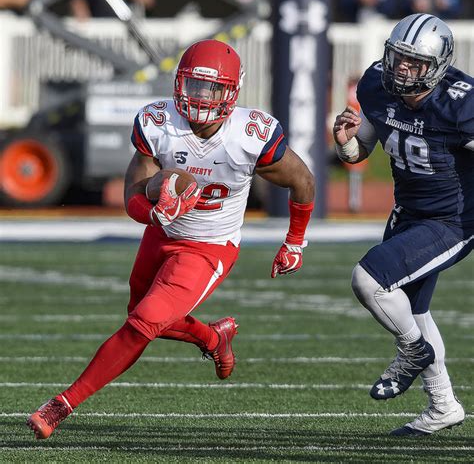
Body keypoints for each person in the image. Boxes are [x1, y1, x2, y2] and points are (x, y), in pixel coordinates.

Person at [26, 39, 315, 439]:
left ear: (232, 91)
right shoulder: (159, 123)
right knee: (141, 314)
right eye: (194, 86)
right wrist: (155, 204)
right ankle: (214, 338)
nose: (200, 98)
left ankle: (61, 405)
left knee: (142, 324)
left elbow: (303, 181)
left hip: (210, 245)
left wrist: (294, 241)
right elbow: (132, 193)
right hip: (161, 233)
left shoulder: (250, 135)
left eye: (211, 88)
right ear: (179, 83)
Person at [333, 13, 473, 436]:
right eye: (397, 58)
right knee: (412, 309)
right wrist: (345, 145)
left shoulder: (460, 104)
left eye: (414, 63)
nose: (401, 69)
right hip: (408, 211)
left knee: (369, 281)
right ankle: (443, 407)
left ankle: (413, 352)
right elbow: (362, 150)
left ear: (439, 66)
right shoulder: (377, 85)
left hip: (453, 219)